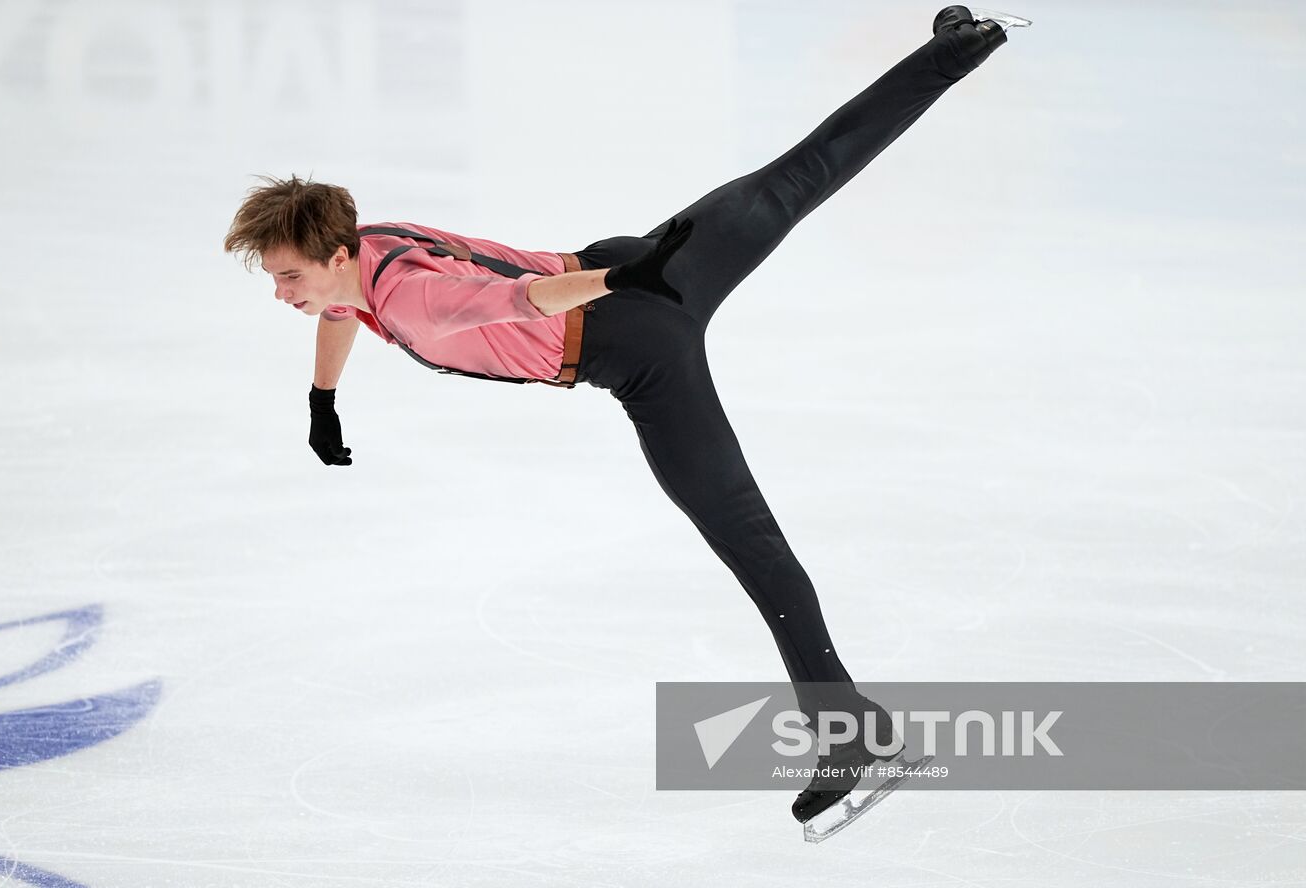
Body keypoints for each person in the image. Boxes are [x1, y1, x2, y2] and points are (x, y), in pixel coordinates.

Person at [223, 6, 1024, 831]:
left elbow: (518, 298)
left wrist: (622, 286)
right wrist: (324, 400)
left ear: (333, 256)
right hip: (636, 259)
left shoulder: (417, 304)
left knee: (747, 539)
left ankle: (848, 731)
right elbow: (339, 313)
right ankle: (956, 50)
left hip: (637, 342)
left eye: (287, 276)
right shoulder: (370, 247)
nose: (282, 293)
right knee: (799, 175)